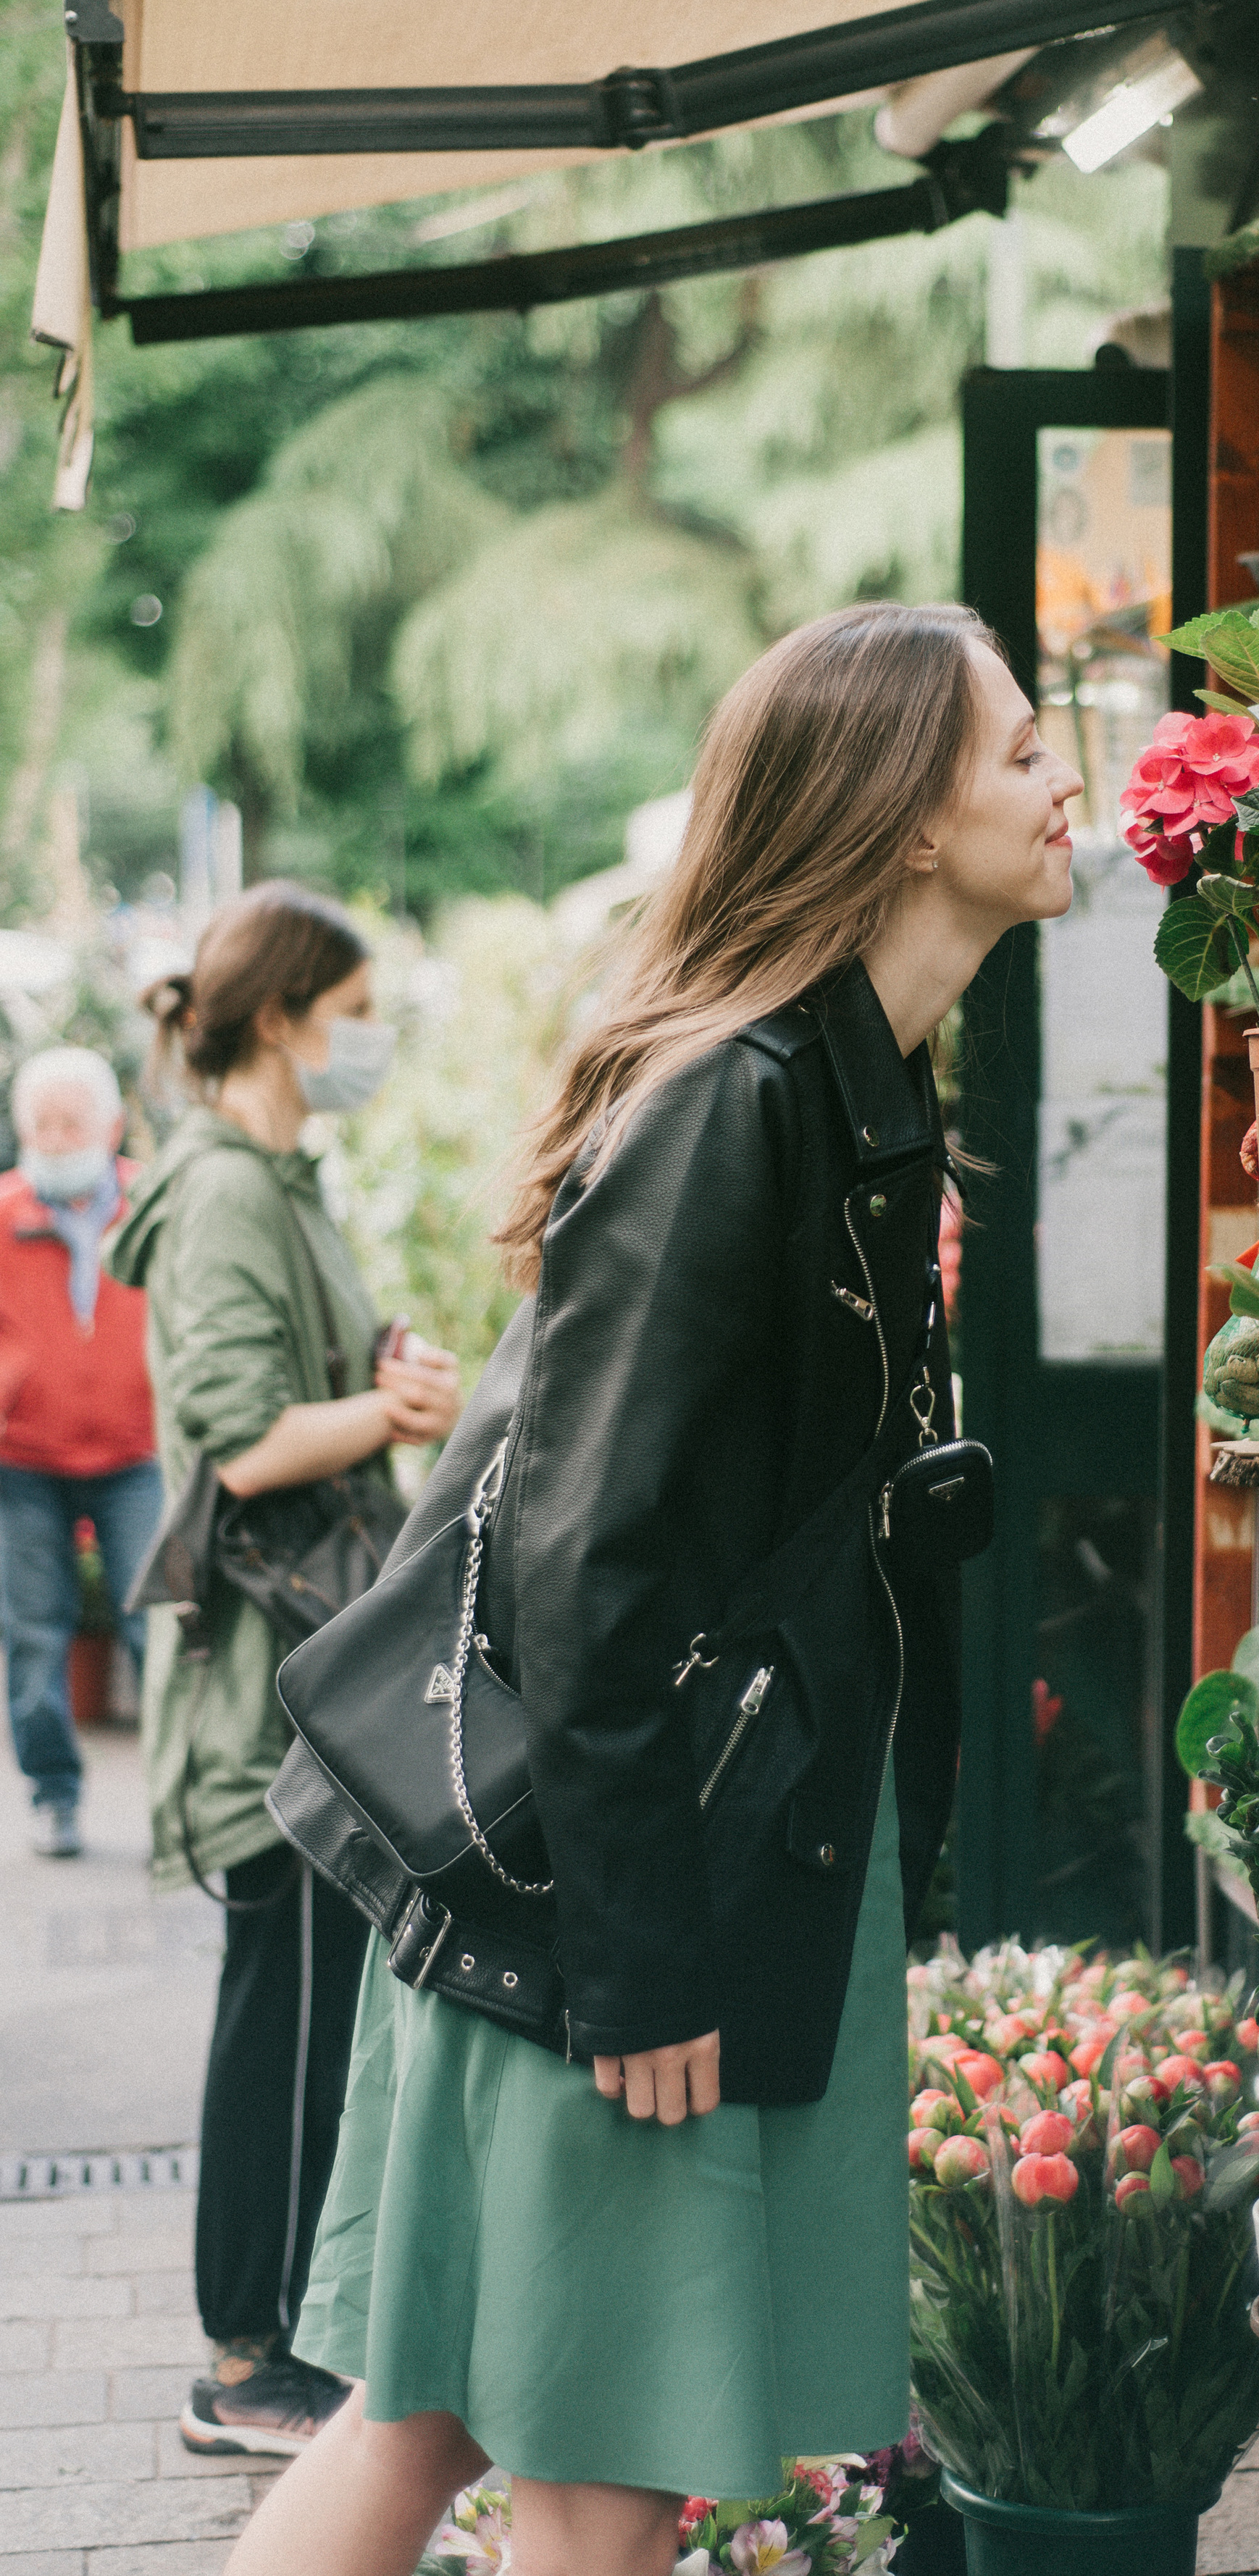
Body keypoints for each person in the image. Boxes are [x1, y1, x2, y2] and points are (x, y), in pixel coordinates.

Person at [219, 603, 1081, 2576]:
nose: (1067, 781)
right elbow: (586, 1559)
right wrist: (642, 1962)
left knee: (432, 2424)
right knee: (595, 2473)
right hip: (642, 1894)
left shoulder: (852, 1084)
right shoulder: (742, 1099)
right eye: (1022, 748)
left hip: (675, 1861)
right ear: (896, 808)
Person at [113, 882, 462, 2466]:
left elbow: (295, 1387)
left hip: (303, 1681)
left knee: (304, 2020)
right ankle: (249, 2365)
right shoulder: (224, 1195)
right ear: (278, 1018)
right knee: (287, 2029)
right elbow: (243, 1440)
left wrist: (382, 1375)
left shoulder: (269, 1179)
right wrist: (390, 1419)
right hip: (274, 1696)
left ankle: (269, 2350)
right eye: (351, 1012)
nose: (367, 1042)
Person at [0, 1045, 164, 1859]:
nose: (56, 1137)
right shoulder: (1, 1213)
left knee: (162, 1625)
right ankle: (53, 1796)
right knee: (34, 1634)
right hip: (23, 1461)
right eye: (40, 1123)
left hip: (141, 1453)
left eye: (71, 1120)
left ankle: (182, 1798)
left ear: (112, 1123)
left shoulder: (153, 1203)